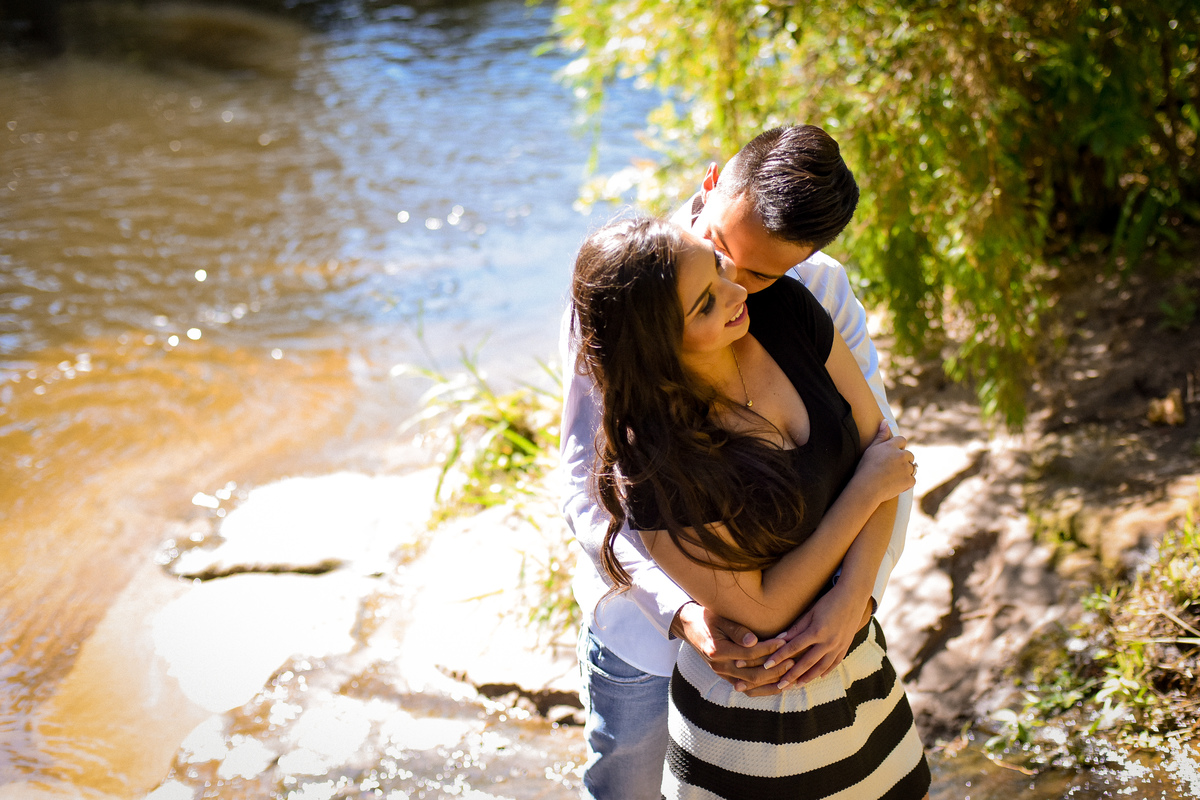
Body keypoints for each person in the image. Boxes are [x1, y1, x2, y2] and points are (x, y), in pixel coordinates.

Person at [559, 125, 914, 799]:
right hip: (641, 629)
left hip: (802, 633)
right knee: (628, 786)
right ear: (714, 181)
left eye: (760, 274)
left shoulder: (812, 294)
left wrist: (853, 595)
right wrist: (683, 611)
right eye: (720, 253)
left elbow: (878, 452)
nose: (736, 286)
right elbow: (586, 486)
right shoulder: (627, 285)